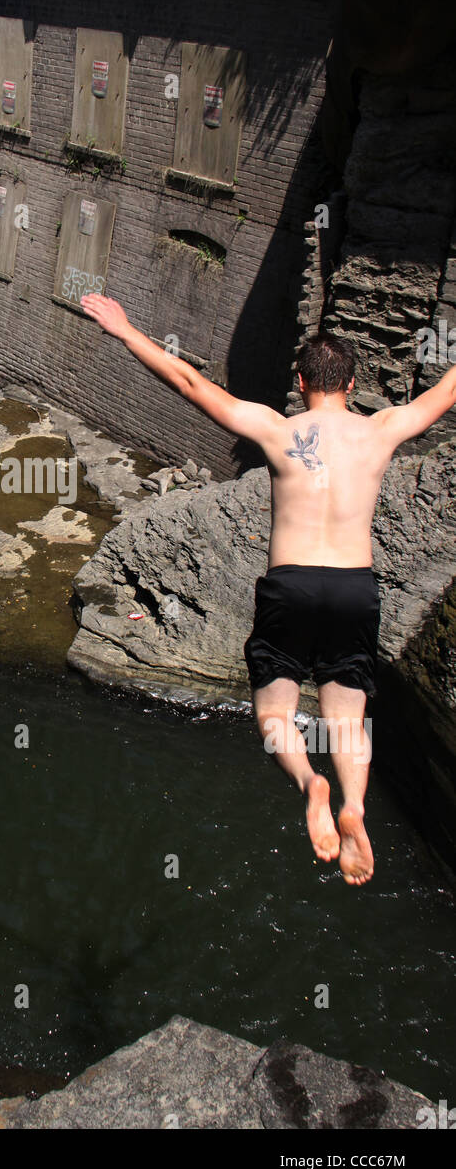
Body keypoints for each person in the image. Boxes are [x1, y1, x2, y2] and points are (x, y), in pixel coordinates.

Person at [81, 292, 456, 886]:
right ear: (353, 384)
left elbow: (189, 383)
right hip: (355, 589)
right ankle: (354, 807)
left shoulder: (278, 430)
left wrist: (127, 331)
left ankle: (311, 784)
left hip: (292, 585)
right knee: (348, 717)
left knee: (276, 709)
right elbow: (448, 391)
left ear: (301, 381)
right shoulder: (382, 430)